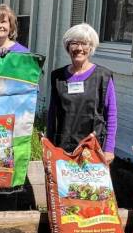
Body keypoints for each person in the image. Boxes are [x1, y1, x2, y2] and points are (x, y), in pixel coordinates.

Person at [47, 23, 117, 161]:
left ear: (91, 47)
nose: (79, 48)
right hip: (63, 147)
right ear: (68, 47)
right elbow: (52, 114)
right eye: (74, 43)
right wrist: (48, 145)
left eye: (84, 43)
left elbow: (111, 115)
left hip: (94, 148)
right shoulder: (58, 76)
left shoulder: (103, 76)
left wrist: (109, 149)